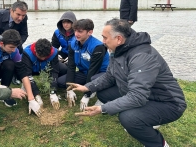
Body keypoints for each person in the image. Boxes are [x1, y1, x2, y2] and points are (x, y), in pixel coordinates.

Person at [69, 18, 187, 147]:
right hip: (146, 95)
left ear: (118, 39)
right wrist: (87, 87)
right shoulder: (117, 50)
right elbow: (109, 77)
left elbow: (137, 97)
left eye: (105, 38)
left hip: (168, 102)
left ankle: (159, 144)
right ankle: (146, 118)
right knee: (103, 92)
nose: (103, 42)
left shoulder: (141, 56)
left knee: (128, 118)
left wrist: (103, 109)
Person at [57, 19, 109, 111]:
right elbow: (71, 66)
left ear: (90, 32)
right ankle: (91, 87)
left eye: (80, 31)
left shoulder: (98, 47)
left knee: (93, 79)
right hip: (84, 72)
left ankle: (100, 93)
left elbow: (93, 71)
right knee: (61, 82)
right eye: (75, 30)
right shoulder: (73, 44)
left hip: (101, 73)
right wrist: (70, 89)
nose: (76, 34)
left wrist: (86, 95)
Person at [15, 38, 68, 116]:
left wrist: (53, 91)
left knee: (63, 68)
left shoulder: (54, 52)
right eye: (40, 56)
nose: (43, 58)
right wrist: (37, 95)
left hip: (45, 68)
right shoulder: (27, 53)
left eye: (45, 57)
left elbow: (54, 71)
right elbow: (27, 74)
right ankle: (26, 85)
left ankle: (57, 87)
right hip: (31, 69)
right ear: (35, 50)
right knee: (20, 72)